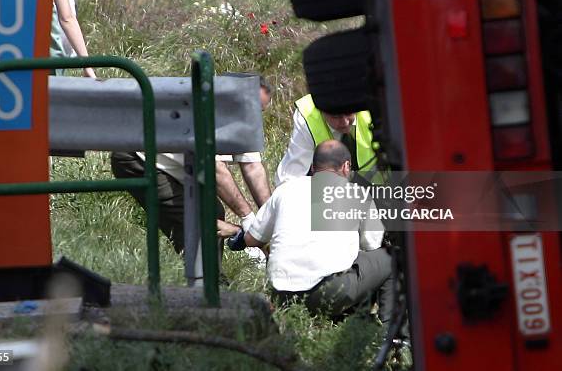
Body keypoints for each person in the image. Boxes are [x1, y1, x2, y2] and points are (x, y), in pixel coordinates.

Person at [228, 140, 393, 320]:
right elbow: (372, 246)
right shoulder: (357, 194)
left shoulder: (286, 190)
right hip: (328, 294)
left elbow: (252, 239)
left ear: (313, 167)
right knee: (390, 258)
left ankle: (343, 318)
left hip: (282, 297)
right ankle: (391, 334)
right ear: (346, 167)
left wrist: (235, 235)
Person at [111, 75, 273, 254]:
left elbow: (253, 168)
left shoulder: (243, 118)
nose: (254, 117)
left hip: (172, 163)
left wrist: (271, 218)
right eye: (253, 108)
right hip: (138, 158)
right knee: (201, 215)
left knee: (210, 211)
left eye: (260, 112)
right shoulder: (206, 108)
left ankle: (208, 278)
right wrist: (248, 219)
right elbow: (215, 172)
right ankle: (207, 279)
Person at [275, 93, 379, 186]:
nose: (345, 122)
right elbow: (289, 180)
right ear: (321, 110)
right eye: (336, 116)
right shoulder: (307, 117)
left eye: (348, 113)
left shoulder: (373, 102)